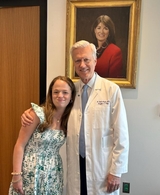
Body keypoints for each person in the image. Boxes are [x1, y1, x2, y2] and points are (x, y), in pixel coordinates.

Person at [21, 40, 129, 195]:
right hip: (76, 162)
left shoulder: (111, 90)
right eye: (78, 60)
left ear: (95, 60)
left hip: (101, 164)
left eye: (86, 59)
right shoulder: (71, 90)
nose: (82, 64)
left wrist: (116, 171)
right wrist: (29, 113)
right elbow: (52, 109)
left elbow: (122, 134)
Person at [9, 76, 76, 195]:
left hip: (53, 173)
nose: (60, 95)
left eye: (65, 92)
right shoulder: (37, 114)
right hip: (31, 171)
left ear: (71, 97)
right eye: (56, 92)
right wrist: (16, 176)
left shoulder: (69, 119)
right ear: (50, 95)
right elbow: (20, 145)